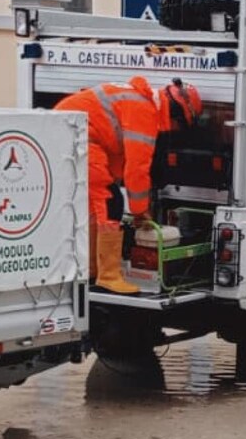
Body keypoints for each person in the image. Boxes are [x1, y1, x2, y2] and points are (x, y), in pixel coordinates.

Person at [51, 77, 203, 294]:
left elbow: (115, 149)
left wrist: (114, 180)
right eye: (180, 122)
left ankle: (93, 270)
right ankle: (109, 276)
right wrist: (140, 210)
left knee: (99, 206)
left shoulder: (140, 101)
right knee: (111, 202)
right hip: (77, 140)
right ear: (176, 112)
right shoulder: (145, 113)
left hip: (73, 137)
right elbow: (136, 168)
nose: (176, 128)